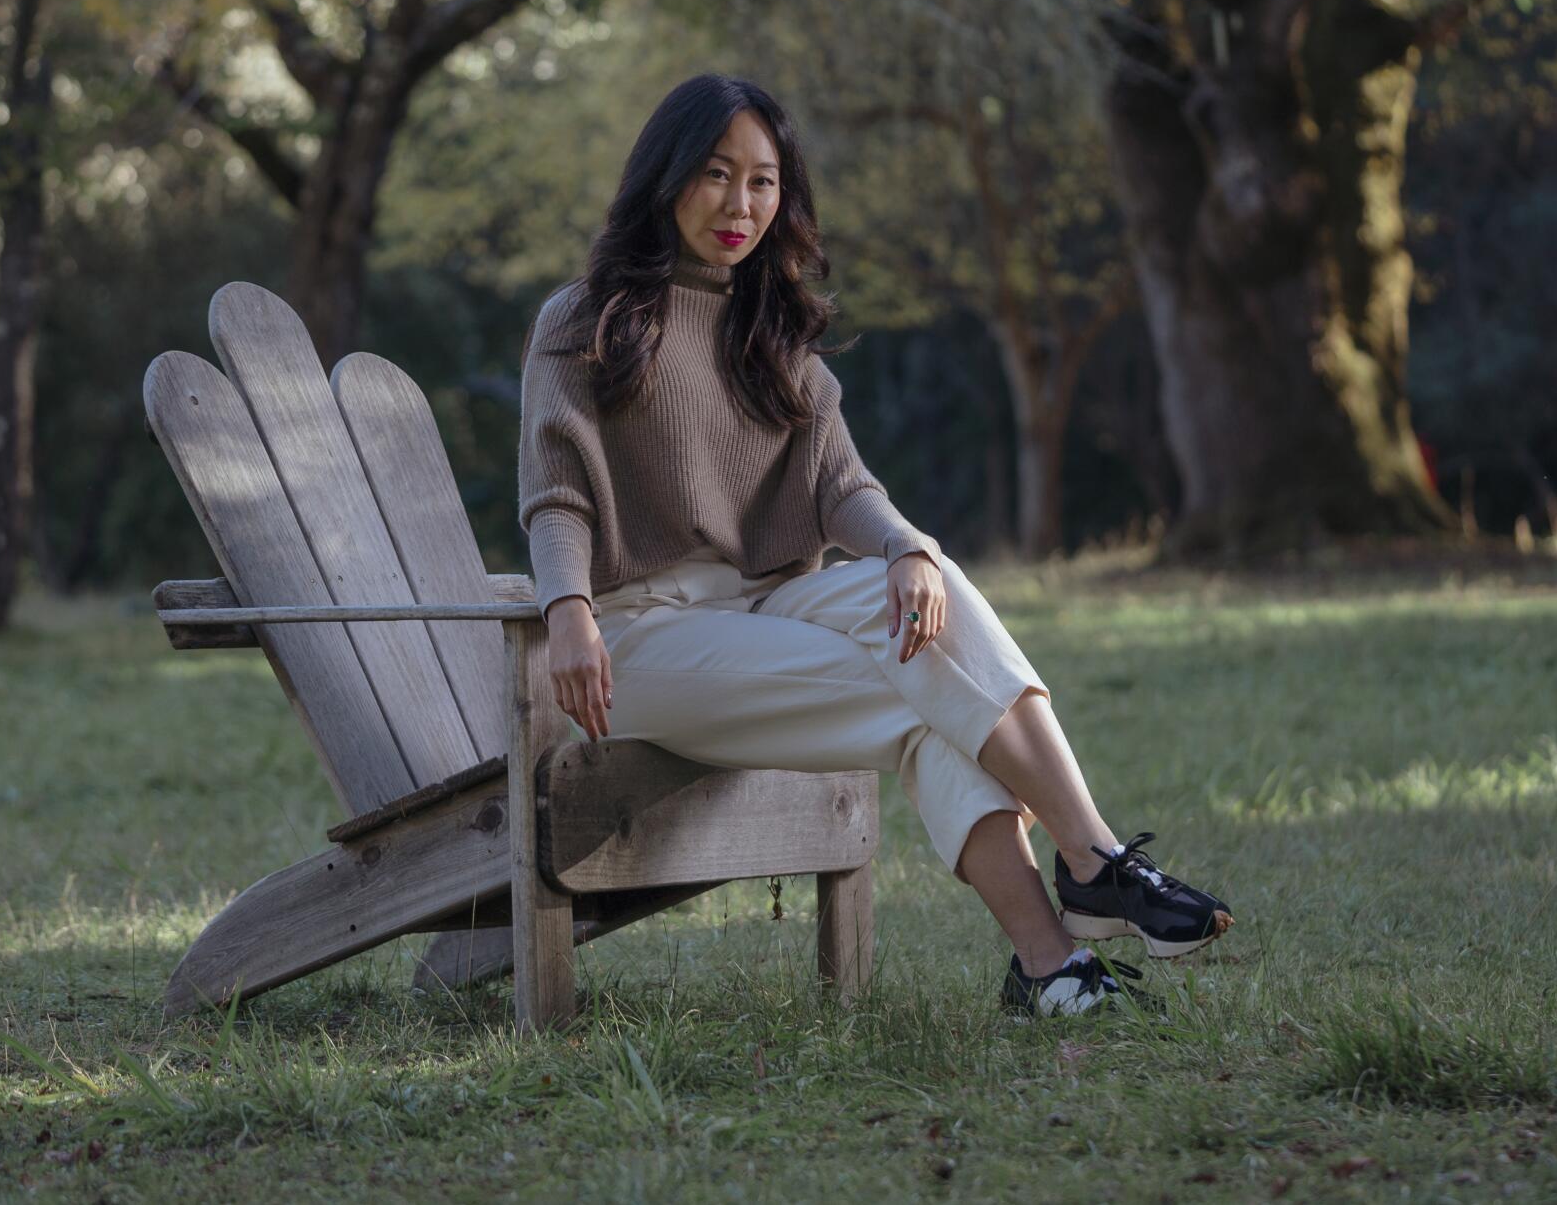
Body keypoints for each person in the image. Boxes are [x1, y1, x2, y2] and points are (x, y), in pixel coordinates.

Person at [516, 73, 1233, 1017]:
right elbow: (556, 490)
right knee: (924, 690)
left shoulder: (772, 331)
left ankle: (1061, 950)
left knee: (929, 603)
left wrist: (905, 547)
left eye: (763, 182)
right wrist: (567, 610)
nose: (741, 205)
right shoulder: (585, 319)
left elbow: (841, 488)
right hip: (640, 641)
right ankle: (1083, 890)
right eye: (716, 174)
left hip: (768, 604)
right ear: (666, 175)